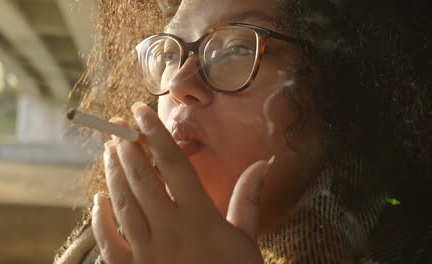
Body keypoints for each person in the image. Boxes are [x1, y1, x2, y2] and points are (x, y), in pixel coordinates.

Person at [54, 0, 432, 263]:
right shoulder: (106, 243)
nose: (180, 84)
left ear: (342, 87)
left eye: (235, 48)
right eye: (170, 54)